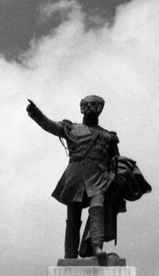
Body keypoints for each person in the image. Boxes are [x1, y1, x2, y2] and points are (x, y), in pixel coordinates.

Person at [26, 95, 120, 260]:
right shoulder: (70, 128)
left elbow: (116, 160)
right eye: (86, 104)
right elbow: (49, 125)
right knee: (73, 217)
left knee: (98, 207)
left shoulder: (108, 136)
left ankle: (96, 247)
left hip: (98, 177)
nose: (90, 106)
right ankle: (70, 255)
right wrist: (35, 113)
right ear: (81, 108)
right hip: (75, 177)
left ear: (100, 108)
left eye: (94, 104)